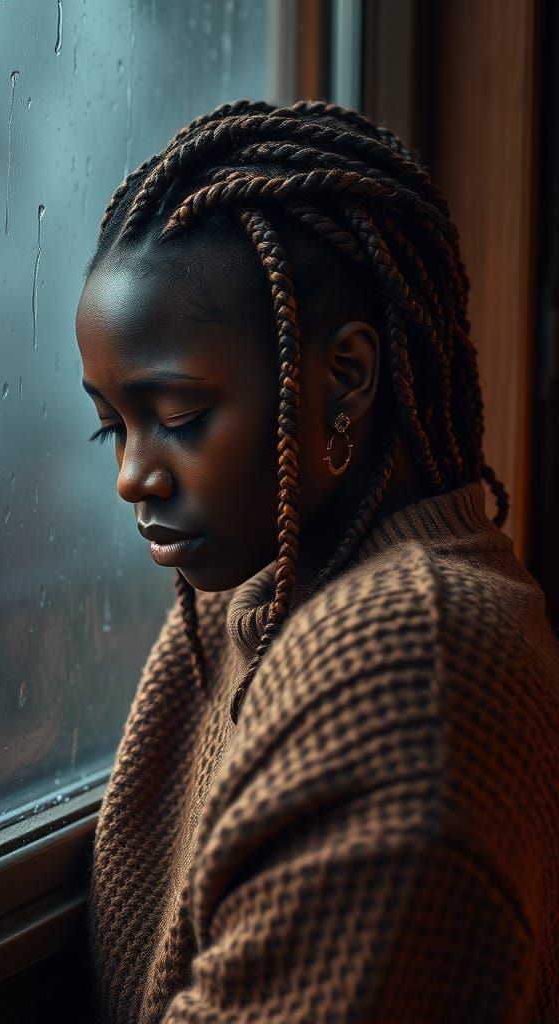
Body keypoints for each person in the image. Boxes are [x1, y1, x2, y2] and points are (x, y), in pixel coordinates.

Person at [74, 99, 559, 1023]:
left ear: (343, 379)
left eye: (177, 417)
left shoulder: (411, 660)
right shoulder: (250, 599)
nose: (133, 476)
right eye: (112, 426)